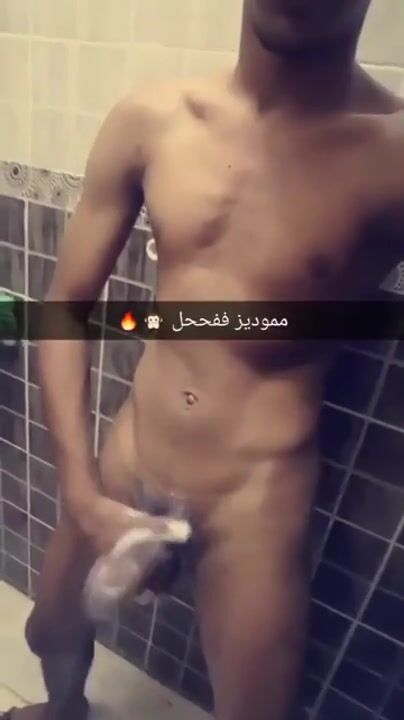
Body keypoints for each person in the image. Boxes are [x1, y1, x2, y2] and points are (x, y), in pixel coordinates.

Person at [3, 1, 404, 719]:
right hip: (133, 453)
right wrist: (82, 493)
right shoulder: (155, 119)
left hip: (255, 494)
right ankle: (64, 712)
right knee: (48, 632)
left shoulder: (392, 154)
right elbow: (65, 307)